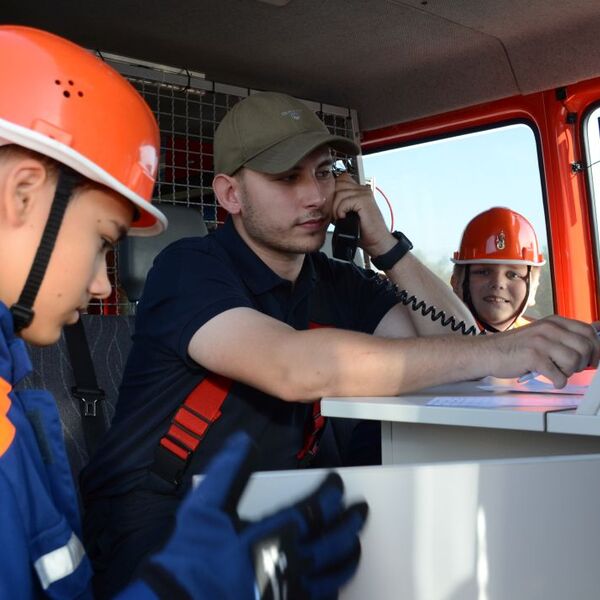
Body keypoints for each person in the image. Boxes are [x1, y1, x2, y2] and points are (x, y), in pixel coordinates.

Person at [81, 91, 600, 592]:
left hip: (274, 507)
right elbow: (292, 368)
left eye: (325, 173)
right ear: (230, 195)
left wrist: (387, 247)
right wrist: (502, 349)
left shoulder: (334, 280)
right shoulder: (189, 269)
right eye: (287, 178)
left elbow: (459, 354)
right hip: (163, 518)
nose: (315, 195)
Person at [0, 27, 368, 599]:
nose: (103, 283)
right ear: (21, 194)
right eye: (102, 239)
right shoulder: (191, 270)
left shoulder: (12, 395)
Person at [450, 207, 545, 332]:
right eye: (484, 272)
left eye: (513, 275)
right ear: (456, 283)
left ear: (533, 290)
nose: (498, 283)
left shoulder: (541, 340)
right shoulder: (436, 338)